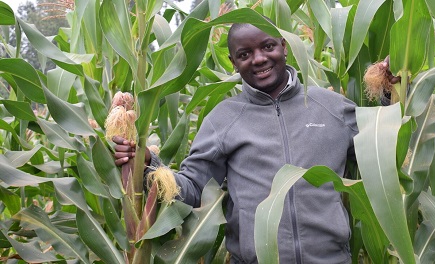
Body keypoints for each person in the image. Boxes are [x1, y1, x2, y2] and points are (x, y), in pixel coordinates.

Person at [113, 22, 394, 264]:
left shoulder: (330, 107)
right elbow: (193, 189)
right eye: (245, 54)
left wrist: (391, 93)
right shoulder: (223, 119)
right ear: (233, 63)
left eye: (268, 46)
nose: (258, 59)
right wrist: (148, 165)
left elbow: (382, 153)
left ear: (284, 46)